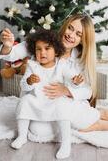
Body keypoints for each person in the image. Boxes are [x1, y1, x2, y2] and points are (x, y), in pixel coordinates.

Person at [0, 14, 108, 136]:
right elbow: (13, 53)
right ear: (65, 26)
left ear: (83, 40)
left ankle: (97, 120)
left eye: (78, 34)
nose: (71, 35)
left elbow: (87, 92)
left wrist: (66, 90)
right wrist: (7, 46)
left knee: (66, 114)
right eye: (70, 28)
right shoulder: (44, 41)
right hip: (40, 101)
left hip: (64, 103)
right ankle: (94, 117)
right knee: (37, 130)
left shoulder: (79, 59)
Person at [12, 29, 83, 159]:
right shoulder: (32, 65)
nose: (42, 52)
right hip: (38, 100)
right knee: (25, 100)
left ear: (56, 51)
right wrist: (29, 81)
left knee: (63, 104)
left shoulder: (61, 65)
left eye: (47, 48)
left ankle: (65, 143)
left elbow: (70, 78)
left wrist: (75, 81)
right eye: (38, 49)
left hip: (54, 100)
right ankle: (22, 136)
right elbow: (23, 86)